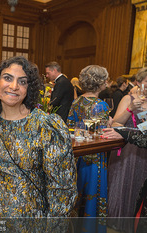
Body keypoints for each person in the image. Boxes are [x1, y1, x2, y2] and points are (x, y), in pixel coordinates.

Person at [0, 56, 77, 225]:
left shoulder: (45, 126)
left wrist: (53, 226)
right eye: (7, 78)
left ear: (29, 89)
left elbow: (62, 188)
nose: (14, 86)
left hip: (30, 219)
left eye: (22, 82)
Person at [67, 65, 110, 219]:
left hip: (78, 154)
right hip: (95, 155)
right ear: (101, 83)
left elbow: (70, 128)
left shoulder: (76, 101)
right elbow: (102, 133)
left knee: (78, 191)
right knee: (93, 190)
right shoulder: (101, 105)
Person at [108, 67, 147, 233]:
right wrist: (131, 108)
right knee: (124, 184)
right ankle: (117, 223)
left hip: (144, 150)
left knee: (139, 185)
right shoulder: (127, 98)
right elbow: (115, 124)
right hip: (128, 150)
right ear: (139, 82)